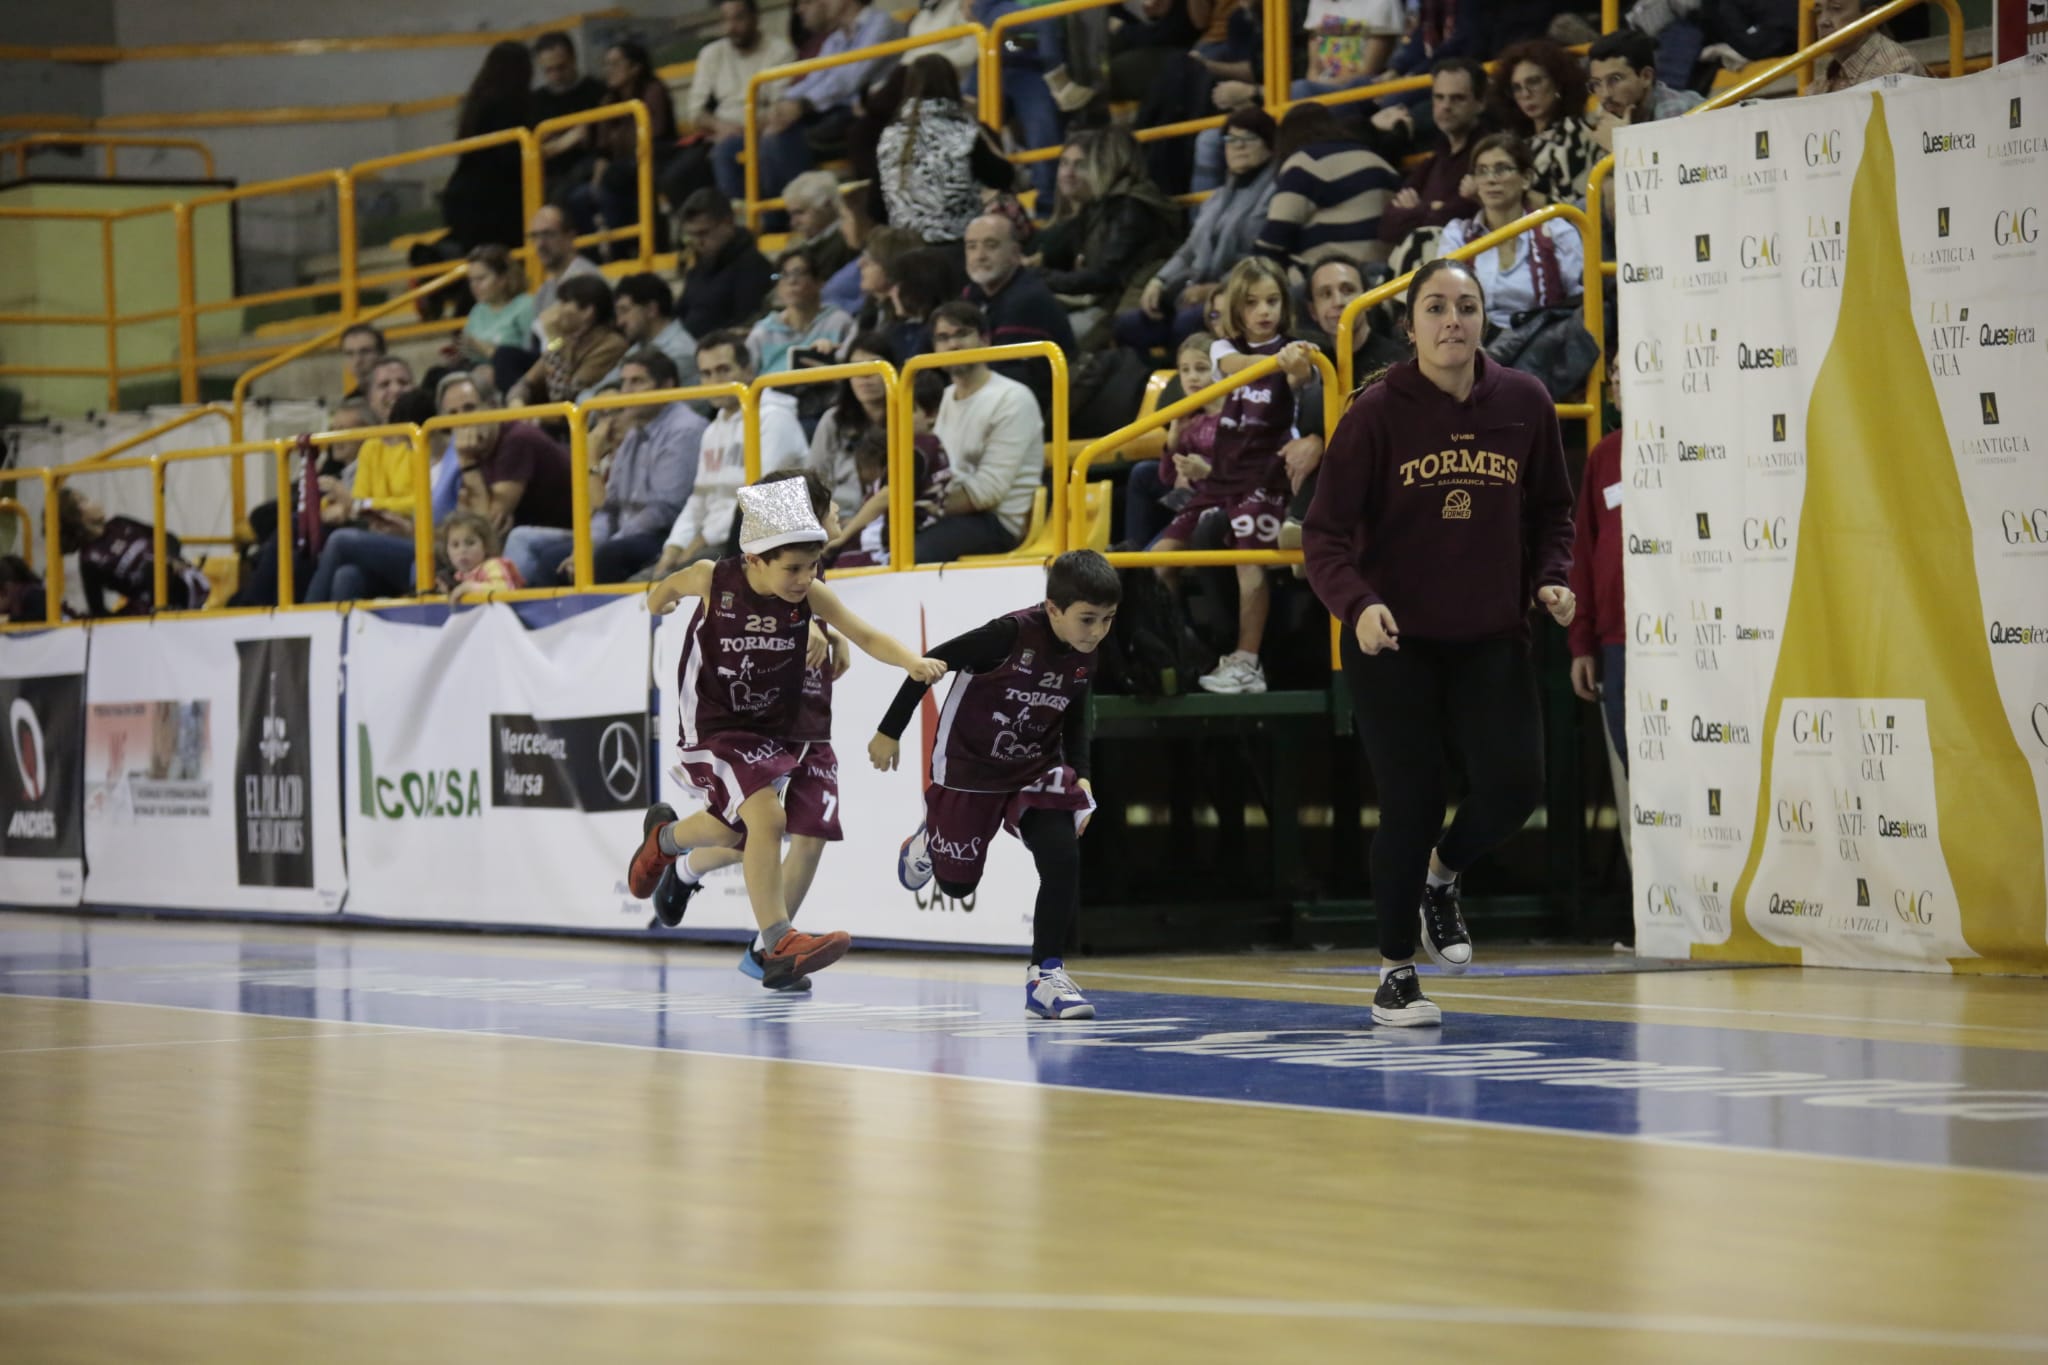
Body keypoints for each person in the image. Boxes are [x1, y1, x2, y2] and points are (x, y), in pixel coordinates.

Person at [1302, 258, 1576, 1026]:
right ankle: (1394, 971)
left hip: (1491, 632)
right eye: (1435, 307)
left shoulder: (1525, 402)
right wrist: (1355, 604)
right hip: (1394, 641)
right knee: (1414, 800)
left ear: (1484, 318)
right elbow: (1322, 535)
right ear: (1411, 324)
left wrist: (1553, 574)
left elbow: (1554, 509)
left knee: (1518, 786)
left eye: (1466, 306)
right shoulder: (1376, 411)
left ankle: (1442, 876)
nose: (1452, 319)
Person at [629, 479, 948, 990]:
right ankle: (777, 940)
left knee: (738, 832)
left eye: (813, 566)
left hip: (768, 727)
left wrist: (912, 661)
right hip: (713, 722)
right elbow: (664, 589)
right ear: (754, 559)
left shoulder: (809, 596)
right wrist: (659, 600)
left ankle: (664, 841)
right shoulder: (714, 578)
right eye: (793, 569)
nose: (806, 579)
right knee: (766, 818)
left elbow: (865, 634)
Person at [874, 549, 1121, 1020]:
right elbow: (930, 663)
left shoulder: (1088, 653)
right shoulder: (1006, 636)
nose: (1098, 632)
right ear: (1053, 609)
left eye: (1108, 620)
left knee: (1062, 856)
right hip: (970, 768)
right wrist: (890, 729)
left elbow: (1074, 715)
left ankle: (1045, 976)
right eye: (1088, 619)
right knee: (956, 886)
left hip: (1035, 769)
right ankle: (928, 842)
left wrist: (1082, 771)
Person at [650, 470, 855, 989]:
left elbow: (839, 625)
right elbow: (762, 608)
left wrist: (838, 640)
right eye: (830, 511)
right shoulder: (754, 576)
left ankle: (766, 948)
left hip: (810, 723)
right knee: (755, 828)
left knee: (801, 835)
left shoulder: (808, 572)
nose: (837, 520)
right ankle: (764, 933)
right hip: (765, 722)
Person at [1150, 258, 1314, 695]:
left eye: (1273, 301)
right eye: (1253, 302)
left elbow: (1302, 375)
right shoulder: (1225, 350)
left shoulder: (1296, 347)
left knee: (1248, 562)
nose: (1264, 311)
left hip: (1266, 474)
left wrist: (1296, 364)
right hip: (1222, 476)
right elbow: (1231, 364)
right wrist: (1274, 361)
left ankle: (1247, 662)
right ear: (1235, 309)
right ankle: (1178, 653)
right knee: (1159, 561)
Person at [508, 350, 704, 587]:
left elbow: (663, 511)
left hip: (663, 534)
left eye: (637, 382)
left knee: (608, 556)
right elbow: (608, 506)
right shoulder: (635, 432)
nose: (626, 391)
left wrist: (604, 545)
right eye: (624, 382)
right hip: (624, 533)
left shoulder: (685, 430)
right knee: (553, 559)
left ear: (667, 385)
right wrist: (588, 546)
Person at [644, 331, 808, 575]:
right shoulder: (712, 431)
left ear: (748, 371)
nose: (715, 381)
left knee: (673, 584)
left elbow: (758, 499)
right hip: (709, 542)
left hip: (757, 543)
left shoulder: (775, 419)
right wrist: (674, 548)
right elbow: (699, 499)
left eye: (723, 370)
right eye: (707, 374)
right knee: (640, 582)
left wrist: (700, 542)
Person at [1118, 107, 1279, 355]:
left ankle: (1189, 385)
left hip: (1238, 295)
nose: (1238, 146)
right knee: (1128, 325)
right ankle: (1149, 386)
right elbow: (1189, 250)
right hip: (1192, 290)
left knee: (1187, 323)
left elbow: (1260, 257)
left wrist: (1214, 290)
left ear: (1268, 146)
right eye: (1231, 139)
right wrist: (1159, 281)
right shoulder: (1216, 198)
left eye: (1248, 139)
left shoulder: (1274, 193)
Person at [1035, 128, 1184, 346]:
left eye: (1084, 165)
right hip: (1108, 303)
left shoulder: (1130, 208)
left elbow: (1105, 275)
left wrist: (1041, 277)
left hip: (1120, 305)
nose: (1075, 173)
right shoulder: (1101, 207)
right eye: (1066, 164)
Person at [919, 302, 1043, 562]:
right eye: (943, 338)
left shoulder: (1013, 398)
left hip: (998, 522)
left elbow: (989, 493)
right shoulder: (944, 397)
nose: (953, 345)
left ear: (985, 340)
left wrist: (920, 509)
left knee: (912, 550)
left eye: (962, 334)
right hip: (953, 511)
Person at [756, 0, 907, 209]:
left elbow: (850, 78)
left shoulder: (881, 24)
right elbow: (815, 78)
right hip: (833, 108)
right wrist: (784, 103)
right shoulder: (836, 39)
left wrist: (803, 104)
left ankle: (804, 212)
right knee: (771, 133)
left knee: (783, 137)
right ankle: (785, 215)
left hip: (866, 108)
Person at [1439, 134, 1583, 330]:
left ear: (1526, 179)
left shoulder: (1557, 232)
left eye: (1502, 169)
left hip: (1540, 344)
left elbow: (1581, 302)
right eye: (1482, 171)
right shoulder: (1457, 235)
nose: (1491, 180)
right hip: (1473, 345)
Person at [1568, 409, 1629, 868]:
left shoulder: (1700, 445)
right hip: (1617, 642)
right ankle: (1647, 916)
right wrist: (1582, 641)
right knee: (1631, 780)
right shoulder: (1605, 456)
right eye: (1617, 373)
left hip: (1694, 643)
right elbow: (1585, 553)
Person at [874, 55, 1014, 248]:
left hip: (906, 252)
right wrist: (977, 123)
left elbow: (876, 206)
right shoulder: (963, 131)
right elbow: (1003, 177)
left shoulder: (888, 137)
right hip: (960, 246)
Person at [1254, 101, 1403, 275]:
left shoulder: (1306, 162)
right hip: (1385, 274)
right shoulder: (1381, 162)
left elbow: (1274, 238)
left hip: (1331, 274)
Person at [566, 41, 679, 260]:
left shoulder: (653, 91)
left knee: (613, 182)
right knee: (578, 197)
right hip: (618, 169)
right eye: (606, 65)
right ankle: (593, 258)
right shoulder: (608, 100)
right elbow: (603, 150)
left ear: (636, 67)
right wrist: (596, 182)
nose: (609, 70)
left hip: (651, 160)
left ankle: (622, 252)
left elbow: (655, 135)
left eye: (616, 64)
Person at [962, 213, 1075, 431]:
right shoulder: (971, 295)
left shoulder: (1027, 300)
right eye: (972, 247)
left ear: (1015, 253)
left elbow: (1013, 379)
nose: (980, 255)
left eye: (991, 245)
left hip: (1032, 418)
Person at [828, 374, 951, 566]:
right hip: (895, 538)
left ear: (931, 415)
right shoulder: (934, 447)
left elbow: (886, 497)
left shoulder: (918, 450)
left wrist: (844, 535)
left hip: (884, 546)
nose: (898, 416)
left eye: (908, 410)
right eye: (895, 409)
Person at [1377, 58, 1489, 261]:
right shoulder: (1433, 160)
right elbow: (1388, 225)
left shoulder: (1489, 155)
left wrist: (1417, 209)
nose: (1446, 106)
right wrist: (1433, 208)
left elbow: (1456, 218)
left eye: (1458, 98)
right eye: (1439, 97)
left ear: (1480, 103)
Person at [1126, 331, 1226, 550]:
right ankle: (1132, 548)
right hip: (1193, 499)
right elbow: (1168, 477)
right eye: (1185, 370)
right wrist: (1173, 442)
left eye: (1201, 368)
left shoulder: (1234, 414)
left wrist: (1206, 471)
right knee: (1142, 472)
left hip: (1220, 499)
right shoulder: (1190, 419)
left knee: (1156, 563)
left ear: (1220, 369)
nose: (1191, 377)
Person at [696, 0, 799, 203]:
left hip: (762, 129)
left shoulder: (780, 51)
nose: (731, 27)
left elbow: (780, 107)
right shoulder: (711, 55)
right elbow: (697, 111)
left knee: (726, 151)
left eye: (739, 18)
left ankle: (758, 223)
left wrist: (744, 130)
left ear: (756, 18)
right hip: (722, 132)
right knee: (682, 169)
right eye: (725, 20)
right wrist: (719, 126)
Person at [445, 379, 575, 537]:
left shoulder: (517, 439)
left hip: (572, 533)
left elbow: (486, 528)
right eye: (452, 414)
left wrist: (467, 462)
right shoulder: (476, 447)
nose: (461, 421)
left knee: (517, 540)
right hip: (531, 530)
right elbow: (468, 519)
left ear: (493, 406)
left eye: (469, 408)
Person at [58, 488, 211, 617]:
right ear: (76, 517)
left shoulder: (119, 523)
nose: (93, 501)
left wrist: (171, 557)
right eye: (84, 501)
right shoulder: (89, 559)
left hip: (184, 582)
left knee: (156, 568)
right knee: (150, 570)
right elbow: (97, 610)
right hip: (151, 605)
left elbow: (168, 537)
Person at [1488, 39, 1601, 210]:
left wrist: (1517, 192)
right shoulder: (1517, 142)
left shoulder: (1575, 132)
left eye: (1534, 82)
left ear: (1557, 82)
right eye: (1517, 88)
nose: (1526, 94)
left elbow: (1574, 210)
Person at [441, 41, 532, 253]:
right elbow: (512, 157)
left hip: (464, 198)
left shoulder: (477, 102)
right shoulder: (506, 106)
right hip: (493, 204)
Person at [806, 331, 896, 519]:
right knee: (756, 509)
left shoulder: (910, 417)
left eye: (874, 366)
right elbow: (814, 483)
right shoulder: (833, 419)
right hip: (836, 520)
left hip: (889, 520)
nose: (864, 376)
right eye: (855, 368)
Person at [509, 274, 627, 407]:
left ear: (587, 311)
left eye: (564, 303)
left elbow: (564, 395)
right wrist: (517, 401)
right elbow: (526, 382)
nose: (557, 310)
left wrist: (552, 336)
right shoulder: (564, 340)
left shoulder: (611, 345)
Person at [675, 189, 777, 339]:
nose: (697, 243)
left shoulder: (753, 266)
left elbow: (746, 325)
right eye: (690, 236)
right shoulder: (697, 269)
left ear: (728, 223)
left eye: (703, 233)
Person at [1587, 28, 1703, 154]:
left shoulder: (1676, 113)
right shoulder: (1610, 116)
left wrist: (1619, 147)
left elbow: (1669, 172)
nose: (1605, 94)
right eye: (1596, 83)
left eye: (1615, 79)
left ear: (1646, 77)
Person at [582, 273, 699, 397]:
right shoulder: (637, 349)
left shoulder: (680, 351)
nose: (619, 322)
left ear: (651, 310)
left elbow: (638, 406)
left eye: (625, 311)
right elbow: (592, 393)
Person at [746, 245, 857, 375]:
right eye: (783, 275)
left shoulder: (840, 322)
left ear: (819, 282)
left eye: (799, 273)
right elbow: (747, 378)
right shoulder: (762, 333)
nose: (791, 281)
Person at [533, 31, 610, 203]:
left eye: (561, 67)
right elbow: (533, 149)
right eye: (548, 70)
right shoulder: (535, 101)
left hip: (587, 168)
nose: (555, 76)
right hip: (548, 176)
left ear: (573, 59)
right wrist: (564, 142)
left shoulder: (597, 91)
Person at [1811, 0, 1927, 93]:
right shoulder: (1822, 82)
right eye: (1818, 11)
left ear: (1871, 16)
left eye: (1836, 8)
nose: (1822, 21)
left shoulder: (1898, 69)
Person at [457, 247, 537, 373]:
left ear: (502, 279)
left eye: (481, 279)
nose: (474, 286)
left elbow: (533, 355)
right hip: (477, 370)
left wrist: (487, 350)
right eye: (471, 280)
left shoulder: (526, 305)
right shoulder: (477, 310)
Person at [782, 170, 855, 280]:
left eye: (800, 213)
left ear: (827, 205)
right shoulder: (800, 246)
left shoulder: (848, 244)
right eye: (791, 215)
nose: (793, 223)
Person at [437, 509, 524, 600]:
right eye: (455, 545)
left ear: (485, 545)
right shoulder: (458, 577)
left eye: (470, 543)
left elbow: (506, 588)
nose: (462, 550)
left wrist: (469, 588)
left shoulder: (493, 565)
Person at [340, 324, 386, 398]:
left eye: (365, 352)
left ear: (381, 354)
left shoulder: (401, 397)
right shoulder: (350, 402)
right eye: (350, 354)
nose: (357, 360)